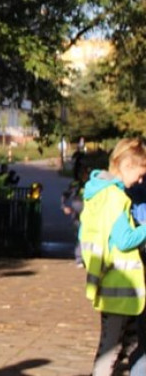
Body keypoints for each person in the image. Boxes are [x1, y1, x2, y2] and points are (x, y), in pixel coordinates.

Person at [80, 137, 146, 376]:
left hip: (106, 281)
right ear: (127, 166)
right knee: (111, 349)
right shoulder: (117, 198)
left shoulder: (97, 193)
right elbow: (124, 239)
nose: (139, 181)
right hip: (119, 286)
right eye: (139, 175)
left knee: (118, 344)